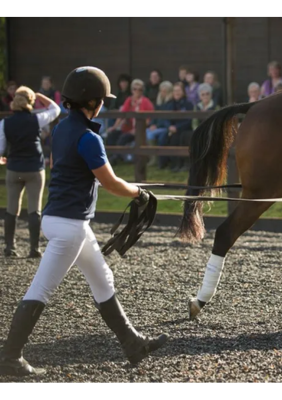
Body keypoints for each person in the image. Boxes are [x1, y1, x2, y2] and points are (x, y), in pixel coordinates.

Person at [0, 66, 168, 377]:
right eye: (102, 99)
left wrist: (128, 189)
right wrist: (139, 194)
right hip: (69, 226)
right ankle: (10, 357)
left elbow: (82, 174)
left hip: (61, 219)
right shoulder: (90, 137)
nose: (104, 104)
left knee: (102, 277)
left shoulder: (63, 129)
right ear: (92, 102)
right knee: (40, 290)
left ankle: (133, 343)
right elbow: (113, 184)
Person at [0, 86, 60, 258]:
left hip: (15, 170)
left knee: (12, 207)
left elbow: (1, 149)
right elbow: (55, 109)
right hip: (34, 169)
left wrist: (3, 159)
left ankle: (9, 247)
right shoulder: (37, 119)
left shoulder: (5, 123)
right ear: (30, 102)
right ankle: (34, 248)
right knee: (35, 208)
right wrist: (41, 95)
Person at [105, 79, 154, 164]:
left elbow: (149, 119)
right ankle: (110, 156)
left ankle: (116, 158)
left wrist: (138, 129)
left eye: (140, 89)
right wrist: (114, 127)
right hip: (128, 128)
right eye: (135, 89)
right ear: (132, 90)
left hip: (140, 130)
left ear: (143, 91)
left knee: (123, 138)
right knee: (112, 134)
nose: (137, 91)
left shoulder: (145, 101)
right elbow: (122, 115)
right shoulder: (129, 100)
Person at [166, 82, 194, 172]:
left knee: (183, 137)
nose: (176, 93)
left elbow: (189, 120)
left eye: (178, 90)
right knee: (172, 138)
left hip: (185, 129)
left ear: (183, 92)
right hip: (172, 129)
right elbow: (165, 118)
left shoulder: (188, 104)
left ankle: (184, 164)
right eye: (174, 91)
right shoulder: (170, 104)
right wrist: (169, 127)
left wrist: (177, 127)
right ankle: (175, 165)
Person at [146, 81, 174, 167]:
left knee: (151, 134)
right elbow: (155, 116)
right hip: (157, 127)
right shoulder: (159, 103)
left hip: (165, 127)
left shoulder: (171, 103)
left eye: (165, 91)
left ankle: (155, 159)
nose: (162, 93)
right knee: (146, 131)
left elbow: (166, 118)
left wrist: (156, 126)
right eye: (161, 91)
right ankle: (151, 157)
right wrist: (152, 124)